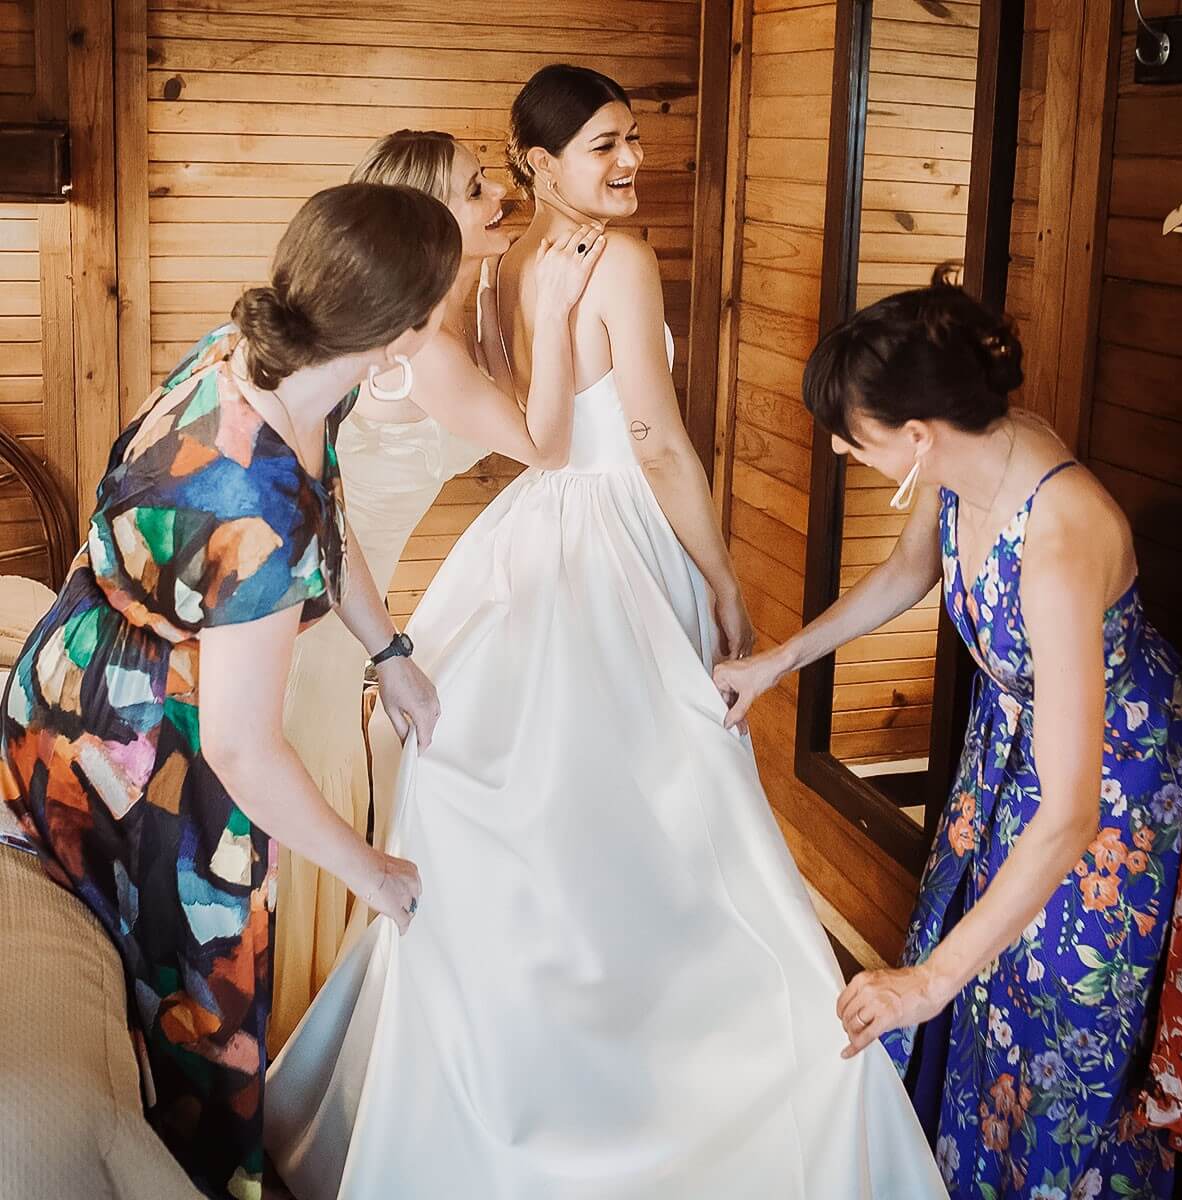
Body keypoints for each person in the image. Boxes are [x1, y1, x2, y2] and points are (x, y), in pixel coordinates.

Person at [265, 64, 945, 1200]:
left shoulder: (499, 265)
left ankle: (537, 1070)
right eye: (605, 145)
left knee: (570, 817)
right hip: (611, 532)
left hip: (527, 532)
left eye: (635, 138)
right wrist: (721, 579)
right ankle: (676, 1083)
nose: (632, 162)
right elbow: (655, 442)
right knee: (658, 813)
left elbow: (520, 419)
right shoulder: (615, 260)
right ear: (540, 164)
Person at [0, 181, 461, 1200]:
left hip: (68, 671)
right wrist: (374, 874)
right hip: (130, 742)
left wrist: (389, 651)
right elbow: (243, 751)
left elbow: (327, 511)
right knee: (209, 1005)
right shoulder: (255, 503)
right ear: (401, 331)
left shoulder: (258, 355)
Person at [713, 272, 1182, 1197]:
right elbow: (909, 574)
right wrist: (777, 662)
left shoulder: (1059, 539)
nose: (842, 448)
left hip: (1111, 789)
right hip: (1011, 747)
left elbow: (1071, 814)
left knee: (1055, 1020)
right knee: (983, 981)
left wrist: (926, 981)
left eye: (854, 436)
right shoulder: (966, 462)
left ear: (917, 434)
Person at [270, 129, 605, 1053]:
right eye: (475, 189)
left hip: (342, 603)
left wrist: (500, 301)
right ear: (425, 220)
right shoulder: (422, 356)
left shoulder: (429, 328)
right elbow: (545, 445)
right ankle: (292, 1036)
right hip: (323, 630)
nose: (499, 197)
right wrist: (558, 311)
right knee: (314, 812)